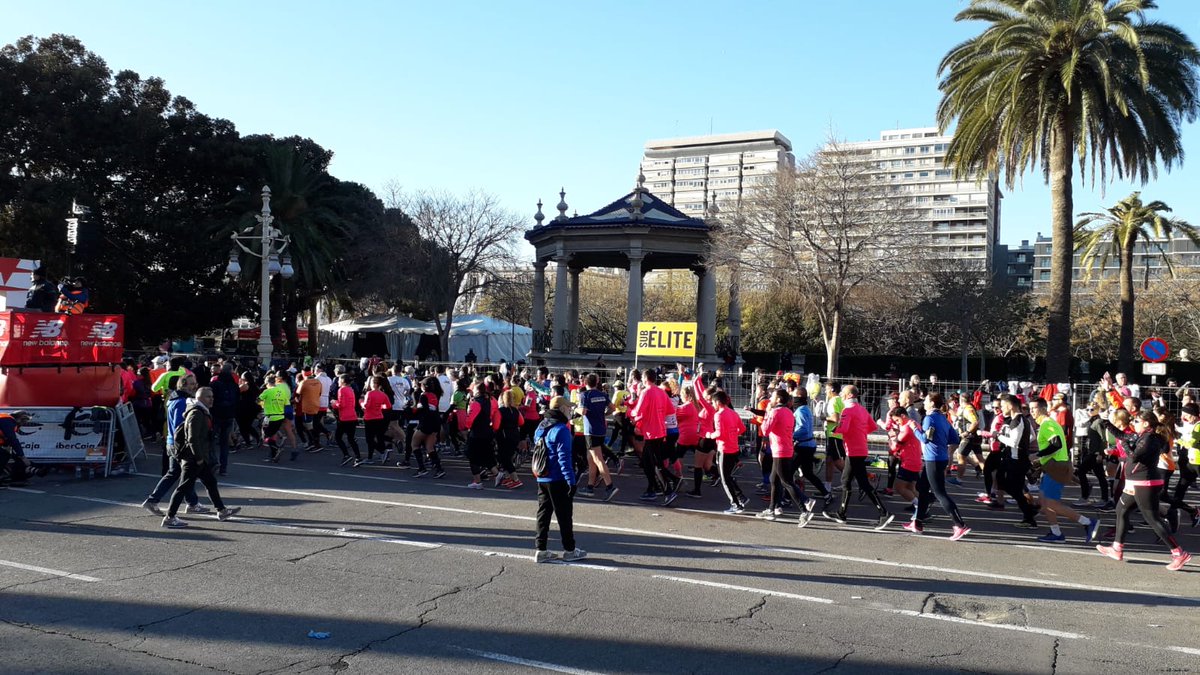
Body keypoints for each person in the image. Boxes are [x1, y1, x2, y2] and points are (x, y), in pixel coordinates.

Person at [1096, 410, 1192, 570]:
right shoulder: (1143, 436)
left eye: (1137, 421)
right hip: (1135, 483)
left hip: (1145, 483)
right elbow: (1122, 435)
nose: (1134, 423)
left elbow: (1133, 456)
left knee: (1152, 519)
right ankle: (1117, 548)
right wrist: (1105, 422)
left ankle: (1179, 553)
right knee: (1121, 510)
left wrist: (1124, 445)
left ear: (1146, 424)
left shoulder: (1150, 439)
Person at [161, 387, 241, 528]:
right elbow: (192, 438)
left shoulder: (202, 411)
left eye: (212, 396)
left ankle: (221, 510)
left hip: (199, 457)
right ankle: (170, 517)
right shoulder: (196, 413)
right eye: (208, 397)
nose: (211, 399)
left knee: (210, 482)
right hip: (193, 458)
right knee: (183, 487)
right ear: (199, 398)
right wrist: (198, 457)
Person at [1030, 398, 1100, 544]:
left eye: (1034, 408)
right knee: (1043, 502)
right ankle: (1056, 533)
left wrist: (1037, 455)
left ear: (1044, 409)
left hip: (1057, 467)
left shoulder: (1047, 424)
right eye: (1030, 408)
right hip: (1051, 466)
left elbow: (1056, 444)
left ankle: (1087, 522)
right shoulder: (1046, 424)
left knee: (1050, 503)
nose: (1032, 411)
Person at [825, 385, 893, 530]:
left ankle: (883, 512)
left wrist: (830, 424)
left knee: (854, 482)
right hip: (861, 448)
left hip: (853, 450)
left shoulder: (847, 410)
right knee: (849, 481)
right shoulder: (861, 409)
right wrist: (858, 432)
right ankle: (841, 513)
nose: (841, 395)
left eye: (843, 393)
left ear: (849, 395)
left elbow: (842, 429)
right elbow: (872, 426)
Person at [903, 392, 970, 540]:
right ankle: (918, 522)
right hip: (939, 458)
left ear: (932, 403)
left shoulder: (930, 418)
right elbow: (954, 438)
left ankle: (960, 525)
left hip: (933, 459)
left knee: (940, 493)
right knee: (922, 488)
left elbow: (925, 439)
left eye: (926, 400)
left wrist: (915, 428)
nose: (924, 402)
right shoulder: (943, 418)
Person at [532, 396, 586, 563]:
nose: (570, 410)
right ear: (562, 409)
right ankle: (569, 550)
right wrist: (571, 480)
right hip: (557, 477)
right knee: (564, 515)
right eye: (568, 408)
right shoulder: (561, 429)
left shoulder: (542, 425)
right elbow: (564, 458)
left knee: (543, 514)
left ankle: (541, 549)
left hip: (542, 476)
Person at [142, 375, 205, 515]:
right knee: (181, 474)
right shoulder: (182, 401)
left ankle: (192, 503)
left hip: (172, 441)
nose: (194, 386)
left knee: (181, 473)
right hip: (179, 443)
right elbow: (180, 426)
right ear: (182, 385)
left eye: (195, 383)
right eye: (191, 384)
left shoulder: (174, 398)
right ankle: (153, 500)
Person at [757, 390, 817, 526]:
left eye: (772, 396)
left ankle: (805, 507)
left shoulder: (775, 412)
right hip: (785, 448)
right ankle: (772, 509)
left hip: (780, 450)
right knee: (774, 479)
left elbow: (765, 430)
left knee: (786, 481)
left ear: (778, 399)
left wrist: (767, 412)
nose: (769, 399)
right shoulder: (788, 411)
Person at [577, 373, 618, 501]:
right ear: (597, 382)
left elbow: (583, 411)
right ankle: (590, 486)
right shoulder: (603, 394)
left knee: (598, 459)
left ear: (585, 382)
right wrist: (604, 414)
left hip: (591, 430)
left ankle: (610, 486)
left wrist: (575, 409)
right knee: (591, 459)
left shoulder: (584, 395)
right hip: (601, 429)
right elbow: (613, 408)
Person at [707, 390, 747, 514]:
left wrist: (709, 435)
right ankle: (741, 498)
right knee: (728, 476)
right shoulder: (733, 413)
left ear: (718, 402)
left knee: (725, 479)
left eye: (713, 402)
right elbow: (743, 428)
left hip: (724, 449)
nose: (712, 405)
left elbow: (719, 433)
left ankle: (736, 504)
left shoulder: (719, 415)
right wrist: (733, 435)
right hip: (733, 448)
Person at [464, 381, 500, 489]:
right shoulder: (488, 400)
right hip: (487, 431)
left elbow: (470, 420)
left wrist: (466, 425)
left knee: (472, 457)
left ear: (477, 390)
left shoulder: (476, 402)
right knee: (486, 455)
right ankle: (497, 474)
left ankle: (477, 481)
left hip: (477, 433)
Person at [210, 363, 239, 476]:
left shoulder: (215, 384)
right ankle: (224, 468)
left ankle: (213, 462)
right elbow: (237, 400)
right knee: (224, 443)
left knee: (210, 441)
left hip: (216, 414)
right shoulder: (234, 385)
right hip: (229, 415)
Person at [258, 374, 294, 462]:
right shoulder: (282, 391)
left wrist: (263, 405)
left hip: (270, 417)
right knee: (272, 434)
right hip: (280, 416)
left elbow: (258, 400)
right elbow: (287, 404)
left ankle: (276, 448)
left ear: (267, 383)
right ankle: (274, 455)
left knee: (265, 436)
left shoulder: (267, 391)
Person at [0, 410, 34, 487]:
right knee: (3, 455)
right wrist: (22, 456)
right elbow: (12, 439)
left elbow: (7, 439)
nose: (25, 423)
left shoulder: (6, 420)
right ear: (19, 418)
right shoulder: (7, 421)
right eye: (24, 420)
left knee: (5, 454)